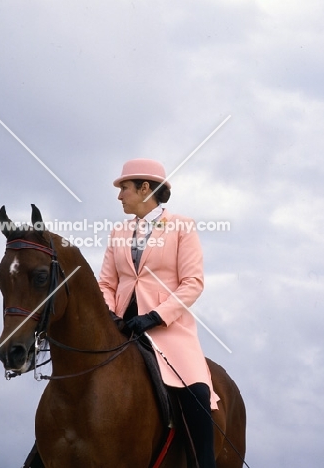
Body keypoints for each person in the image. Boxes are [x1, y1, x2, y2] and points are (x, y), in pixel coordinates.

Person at [98, 158, 219, 468]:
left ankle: (204, 463)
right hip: (123, 328)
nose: (119, 195)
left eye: (123, 187)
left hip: (169, 331)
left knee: (196, 393)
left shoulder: (181, 226)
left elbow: (193, 283)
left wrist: (155, 317)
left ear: (144, 188)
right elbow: (106, 283)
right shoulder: (118, 232)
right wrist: (111, 316)